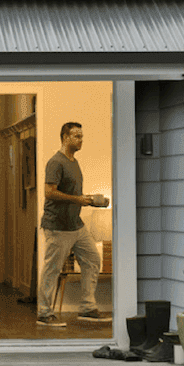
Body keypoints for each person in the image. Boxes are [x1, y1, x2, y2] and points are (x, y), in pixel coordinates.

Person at [37, 122, 111, 327]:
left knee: (92, 259)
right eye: (76, 136)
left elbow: (72, 194)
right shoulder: (56, 162)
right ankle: (44, 313)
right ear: (65, 137)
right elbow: (49, 192)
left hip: (76, 225)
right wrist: (77, 199)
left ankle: (87, 308)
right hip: (57, 225)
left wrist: (87, 199)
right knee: (52, 268)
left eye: (82, 136)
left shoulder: (74, 162)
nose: (81, 140)